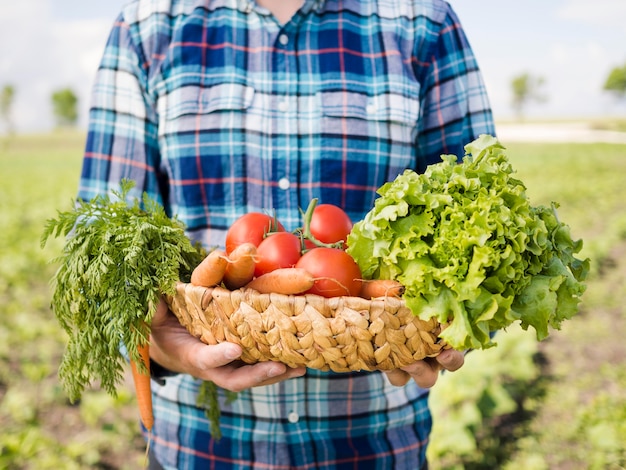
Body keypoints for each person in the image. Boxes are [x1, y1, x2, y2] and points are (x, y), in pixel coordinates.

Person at [78, 0, 495, 468]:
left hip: (374, 445)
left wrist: (447, 325)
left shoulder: (422, 21)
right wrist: (168, 348)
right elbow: (105, 249)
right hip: (200, 449)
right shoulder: (149, 24)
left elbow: (479, 218)